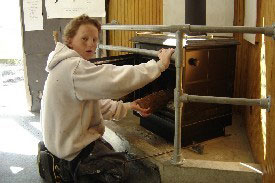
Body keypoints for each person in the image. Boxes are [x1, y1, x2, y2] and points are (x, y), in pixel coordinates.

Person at [38, 14, 174, 183]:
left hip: (59, 143)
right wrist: (158, 65)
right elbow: (115, 78)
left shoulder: (63, 65)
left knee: (111, 155)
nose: (91, 44)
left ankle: (61, 164)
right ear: (70, 40)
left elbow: (94, 104)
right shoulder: (74, 68)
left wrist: (127, 106)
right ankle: (68, 171)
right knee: (118, 169)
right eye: (84, 38)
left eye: (95, 39)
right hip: (71, 150)